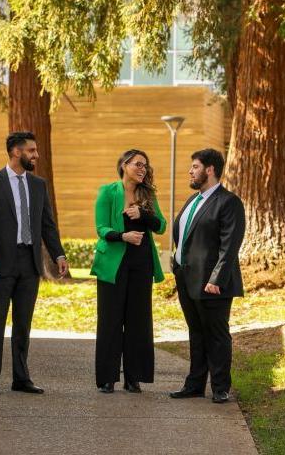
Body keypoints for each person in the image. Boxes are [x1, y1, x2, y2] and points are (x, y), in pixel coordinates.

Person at [0, 131, 68, 396]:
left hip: (29, 264)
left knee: (23, 324)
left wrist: (59, 254)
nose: (36, 155)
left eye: (35, 151)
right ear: (16, 152)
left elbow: (47, 225)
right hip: (0, 264)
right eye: (31, 151)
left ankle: (21, 378)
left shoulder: (38, 185)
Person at [169, 148, 245, 404]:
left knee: (216, 334)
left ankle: (221, 387)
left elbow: (230, 245)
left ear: (210, 170)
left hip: (213, 284)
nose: (190, 171)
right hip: (187, 278)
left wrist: (216, 279)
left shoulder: (228, 202)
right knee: (196, 332)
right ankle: (194, 385)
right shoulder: (193, 200)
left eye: (195, 167)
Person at [90, 149, 166, 393]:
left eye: (145, 165)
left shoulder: (148, 194)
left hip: (142, 263)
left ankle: (134, 377)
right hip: (113, 263)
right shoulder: (108, 191)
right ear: (124, 165)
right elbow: (101, 228)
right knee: (110, 320)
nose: (143, 168)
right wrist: (123, 236)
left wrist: (143, 213)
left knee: (138, 320)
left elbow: (161, 226)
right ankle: (107, 378)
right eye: (137, 164)